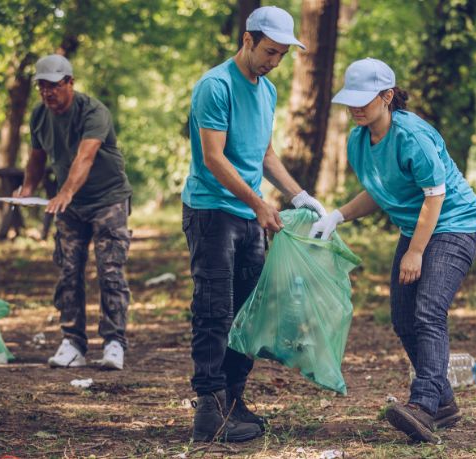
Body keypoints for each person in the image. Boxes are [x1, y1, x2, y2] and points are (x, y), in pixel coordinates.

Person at [309, 58, 476, 443]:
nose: (355, 106)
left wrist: (416, 251)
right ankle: (445, 403)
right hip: (417, 227)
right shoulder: (359, 139)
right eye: (350, 99)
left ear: (387, 96)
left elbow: (435, 196)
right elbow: (379, 190)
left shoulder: (412, 136)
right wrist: (337, 216)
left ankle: (423, 405)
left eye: (364, 99)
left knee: (429, 310)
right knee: (403, 318)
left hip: (453, 224)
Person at [183, 6, 327, 443]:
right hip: (212, 211)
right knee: (214, 309)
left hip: (249, 213)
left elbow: (264, 156)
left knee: (249, 313)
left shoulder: (266, 91)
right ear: (247, 40)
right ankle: (208, 409)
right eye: (269, 51)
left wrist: (299, 195)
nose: (274, 62)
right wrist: (259, 203)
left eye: (282, 55)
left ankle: (233, 398)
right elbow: (213, 157)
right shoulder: (216, 85)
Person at [18, 54, 133, 371]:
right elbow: (37, 157)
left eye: (54, 86)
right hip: (70, 206)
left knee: (110, 271)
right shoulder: (39, 115)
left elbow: (85, 157)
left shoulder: (93, 111)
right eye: (42, 86)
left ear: (70, 83)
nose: (48, 93)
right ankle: (72, 343)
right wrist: (28, 188)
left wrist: (65, 192)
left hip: (107, 199)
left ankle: (114, 343)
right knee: (69, 272)